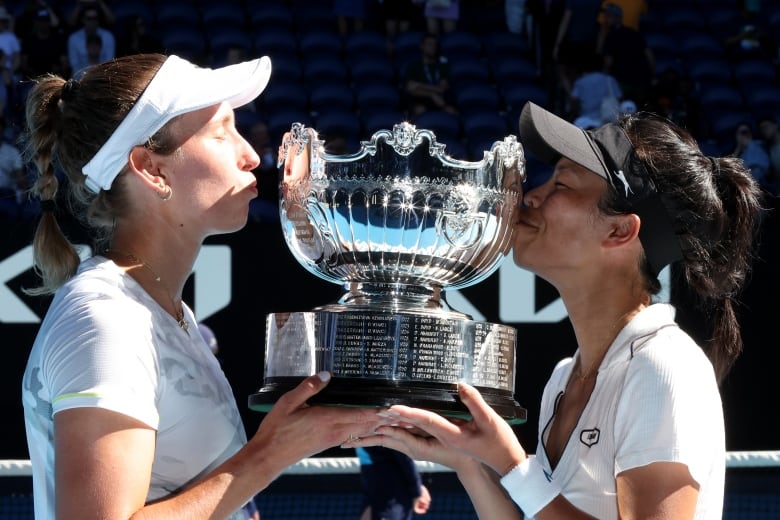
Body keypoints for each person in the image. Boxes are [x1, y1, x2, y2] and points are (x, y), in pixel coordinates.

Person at [346, 101, 764, 519]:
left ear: (620, 230)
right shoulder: (565, 378)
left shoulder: (663, 365)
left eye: (561, 184)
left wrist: (513, 465)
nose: (531, 196)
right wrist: (470, 462)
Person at [20, 53, 386, 519]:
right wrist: (270, 453)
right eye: (221, 132)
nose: (252, 154)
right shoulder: (106, 318)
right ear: (151, 169)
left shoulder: (162, 312)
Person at [357, 446, 431, 520]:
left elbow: (403, 455)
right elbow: (403, 455)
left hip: (390, 495)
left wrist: (417, 490)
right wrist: (417, 490)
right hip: (383, 493)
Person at [403, 33, 457, 116]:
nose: (433, 47)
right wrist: (431, 94)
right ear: (422, 46)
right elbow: (411, 88)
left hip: (440, 99)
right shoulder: (414, 66)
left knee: (452, 111)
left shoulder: (442, 66)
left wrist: (419, 85)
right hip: (421, 100)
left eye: (435, 44)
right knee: (419, 109)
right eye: (429, 44)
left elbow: (441, 89)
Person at [67, 4, 115, 76]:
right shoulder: (73, 38)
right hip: (80, 77)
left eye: (95, 18)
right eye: (89, 18)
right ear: (83, 19)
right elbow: (74, 65)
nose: (92, 21)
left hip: (103, 75)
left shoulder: (108, 36)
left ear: (98, 20)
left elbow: (110, 63)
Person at [732, 121, 772, 193]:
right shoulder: (738, 153)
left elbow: (758, 173)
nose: (745, 135)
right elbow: (729, 167)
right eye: (742, 133)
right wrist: (739, 147)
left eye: (747, 132)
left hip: (761, 188)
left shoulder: (758, 146)